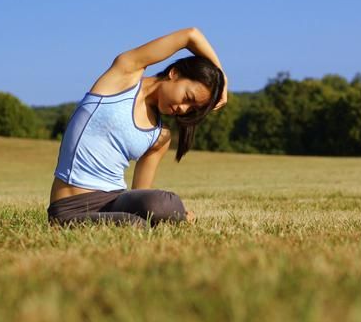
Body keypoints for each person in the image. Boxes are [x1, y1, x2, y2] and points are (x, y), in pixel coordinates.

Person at [47, 27, 228, 228]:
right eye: (187, 98)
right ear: (174, 73)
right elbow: (190, 35)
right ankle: (176, 218)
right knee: (134, 225)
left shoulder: (160, 136)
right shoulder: (124, 75)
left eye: (191, 108)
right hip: (70, 208)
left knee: (162, 203)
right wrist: (222, 80)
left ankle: (176, 215)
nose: (183, 109)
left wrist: (163, 211)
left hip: (115, 202)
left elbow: (141, 196)